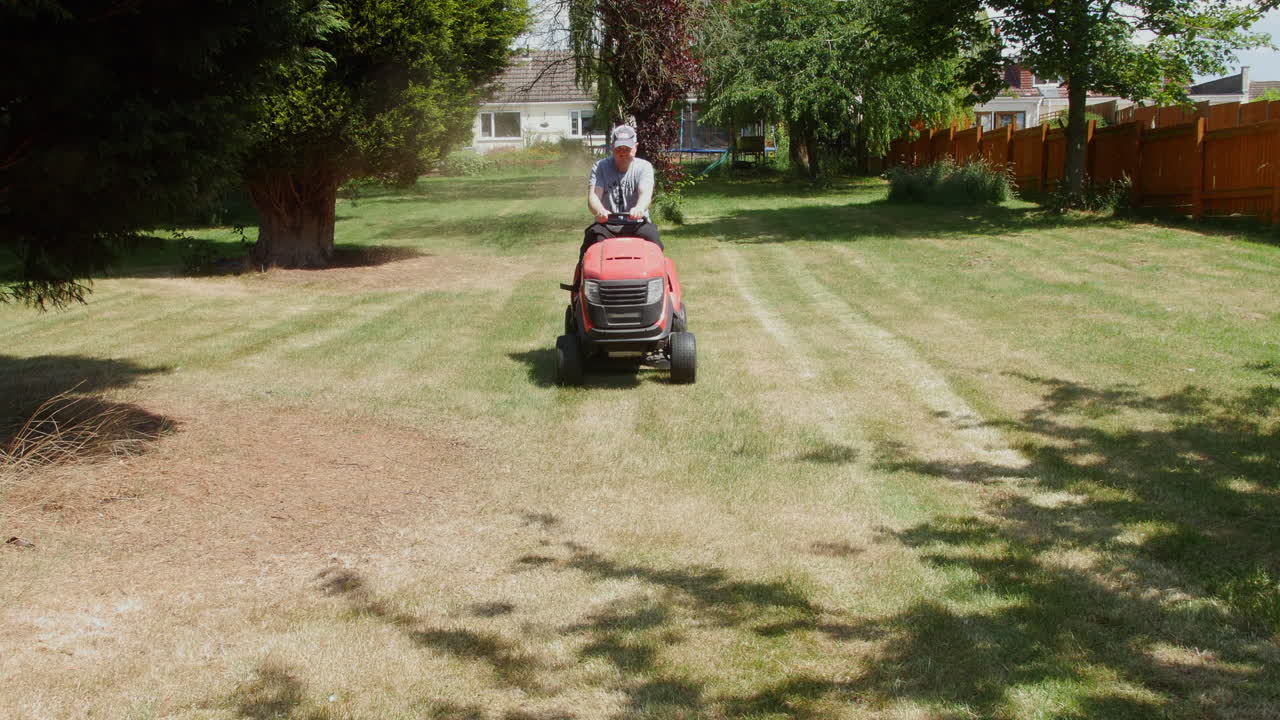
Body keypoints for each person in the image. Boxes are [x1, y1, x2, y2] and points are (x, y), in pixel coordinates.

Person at [580, 124, 663, 259]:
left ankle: (658, 279)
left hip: (637, 224)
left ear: (635, 147)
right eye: (619, 148)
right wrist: (599, 210)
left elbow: (645, 194)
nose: (623, 152)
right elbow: (594, 197)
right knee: (591, 243)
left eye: (627, 148)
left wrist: (639, 208)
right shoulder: (600, 167)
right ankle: (581, 280)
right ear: (612, 147)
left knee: (653, 240)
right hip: (607, 224)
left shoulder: (644, 167)